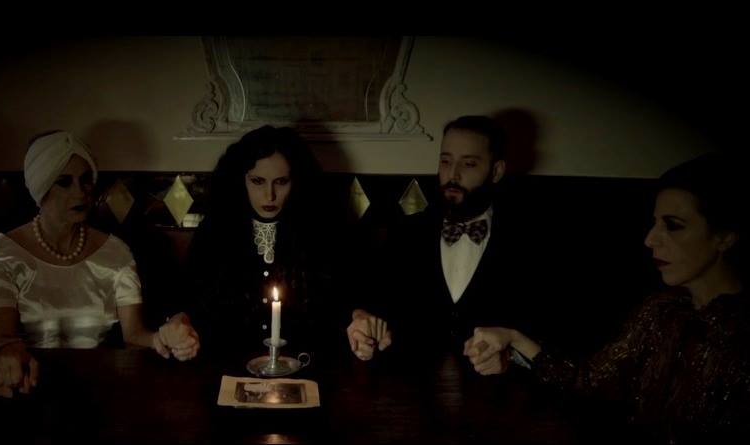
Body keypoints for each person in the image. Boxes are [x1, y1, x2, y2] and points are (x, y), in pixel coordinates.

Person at [464, 153, 749, 443]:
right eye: (655, 223)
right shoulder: (661, 311)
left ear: (725, 236)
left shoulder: (741, 334)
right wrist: (512, 339)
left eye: (673, 225)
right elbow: (588, 383)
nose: (650, 239)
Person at [0, 131, 199, 395]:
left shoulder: (115, 252)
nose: (80, 192)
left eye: (85, 180)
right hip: (30, 389)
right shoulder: (4, 252)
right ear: (41, 187)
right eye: (64, 182)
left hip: (101, 389)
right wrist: (8, 356)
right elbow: (2, 340)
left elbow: (134, 336)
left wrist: (165, 336)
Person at [350, 115, 541, 361]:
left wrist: (510, 357)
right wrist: (361, 321)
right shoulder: (406, 232)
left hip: (498, 384)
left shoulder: (528, 241)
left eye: (469, 164)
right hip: (412, 380)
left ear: (496, 171)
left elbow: (545, 335)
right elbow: (365, 297)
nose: (453, 175)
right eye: (445, 161)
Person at [183, 125, 345, 357]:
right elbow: (188, 300)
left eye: (281, 182)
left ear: (296, 182)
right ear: (241, 180)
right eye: (258, 181)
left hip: (304, 363)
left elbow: (340, 305)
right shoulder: (214, 231)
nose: (270, 195)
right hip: (227, 362)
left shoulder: (322, 233)